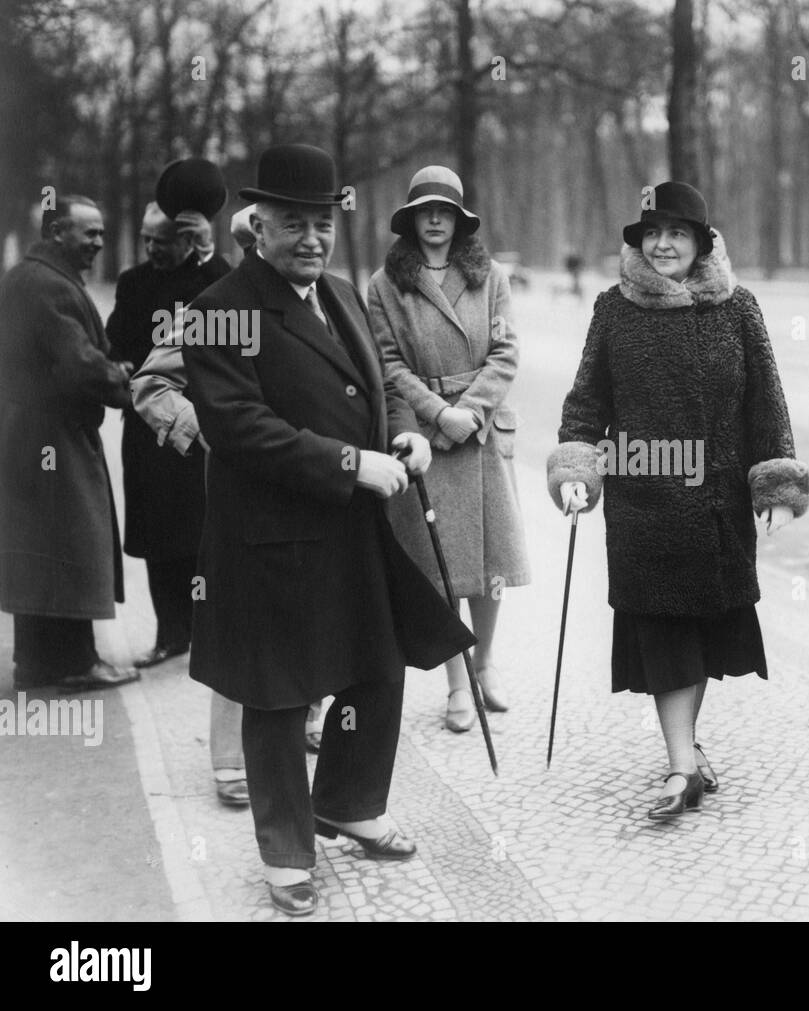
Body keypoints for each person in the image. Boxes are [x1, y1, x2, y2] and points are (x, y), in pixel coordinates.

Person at [180, 144, 474, 915]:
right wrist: (351, 462)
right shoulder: (222, 308)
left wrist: (404, 431)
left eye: (321, 222)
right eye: (293, 223)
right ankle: (284, 854)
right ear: (257, 227)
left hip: (352, 528)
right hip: (270, 537)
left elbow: (377, 379)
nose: (312, 237)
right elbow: (241, 427)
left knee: (376, 667)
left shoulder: (340, 292)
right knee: (277, 694)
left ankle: (346, 800)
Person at [547, 181, 809, 820]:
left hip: (718, 502)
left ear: (702, 244)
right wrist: (578, 467)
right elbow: (588, 401)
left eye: (679, 234)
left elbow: (765, 401)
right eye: (653, 234)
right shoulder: (614, 309)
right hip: (643, 505)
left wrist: (774, 487)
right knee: (663, 632)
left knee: (702, 634)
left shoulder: (739, 309)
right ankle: (681, 766)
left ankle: (684, 750)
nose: (664, 245)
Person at [368, 166, 530, 733]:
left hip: (482, 435)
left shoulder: (491, 277)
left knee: (490, 564)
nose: (435, 220)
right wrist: (440, 415)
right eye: (425, 211)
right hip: (428, 437)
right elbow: (387, 365)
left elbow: (506, 354)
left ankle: (485, 667)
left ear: (460, 221)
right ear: (411, 220)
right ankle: (457, 685)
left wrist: (473, 411)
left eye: (445, 212)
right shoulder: (385, 284)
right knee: (442, 567)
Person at [0, 195, 139, 694]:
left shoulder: (29, 277)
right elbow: (78, 364)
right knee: (72, 541)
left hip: (27, 433)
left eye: (102, 233)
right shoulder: (48, 286)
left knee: (38, 547)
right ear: (58, 232)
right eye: (90, 233)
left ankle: (38, 663)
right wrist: (125, 384)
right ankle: (77, 661)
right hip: (53, 433)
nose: (99, 242)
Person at [107, 176, 231, 670]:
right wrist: (116, 365)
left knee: (200, 532)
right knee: (158, 536)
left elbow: (229, 301)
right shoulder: (133, 282)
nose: (152, 250)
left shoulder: (209, 278)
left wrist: (208, 252)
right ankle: (169, 633)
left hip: (197, 425)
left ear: (188, 241)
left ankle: (208, 630)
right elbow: (116, 340)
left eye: (162, 241)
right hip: (146, 427)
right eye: (146, 241)